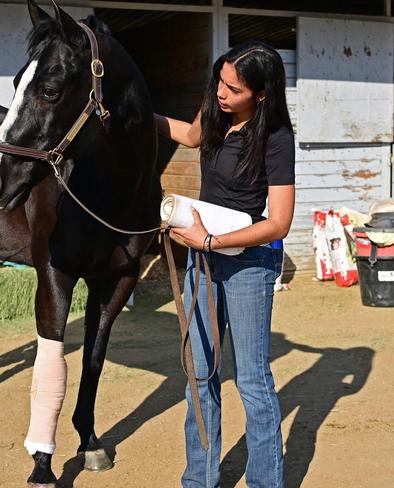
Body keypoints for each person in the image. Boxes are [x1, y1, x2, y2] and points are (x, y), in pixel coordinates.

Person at [155, 41, 295, 488]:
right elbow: (191, 136)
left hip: (249, 262)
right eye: (220, 81)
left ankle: (265, 482)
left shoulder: (276, 139)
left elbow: (278, 223)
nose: (221, 92)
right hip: (204, 256)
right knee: (200, 374)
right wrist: (139, 115)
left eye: (233, 89)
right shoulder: (216, 114)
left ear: (261, 94)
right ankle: (200, 479)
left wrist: (212, 240)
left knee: (252, 379)